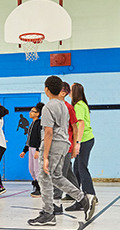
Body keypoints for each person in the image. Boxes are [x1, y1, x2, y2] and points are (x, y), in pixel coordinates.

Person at [28, 76, 96, 226]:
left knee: (44, 178)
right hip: (64, 144)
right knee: (57, 176)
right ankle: (83, 199)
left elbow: (48, 132)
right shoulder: (64, 106)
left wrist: (45, 156)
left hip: (53, 145)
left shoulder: (48, 107)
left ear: (46, 89)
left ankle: (48, 213)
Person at [65, 82, 97, 212]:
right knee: (77, 168)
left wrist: (77, 143)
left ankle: (89, 196)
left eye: (71, 90)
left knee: (81, 167)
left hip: (84, 140)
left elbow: (81, 125)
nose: (69, 92)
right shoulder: (81, 104)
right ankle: (76, 195)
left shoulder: (78, 105)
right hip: (86, 140)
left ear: (75, 92)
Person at [53, 82, 80, 214]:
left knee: (59, 175)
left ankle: (56, 204)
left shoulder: (68, 107)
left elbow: (75, 127)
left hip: (65, 147)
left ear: (63, 93)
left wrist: (75, 146)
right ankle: (80, 199)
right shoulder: (56, 107)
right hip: (58, 146)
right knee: (68, 172)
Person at [20, 102, 44, 198]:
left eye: (32, 111)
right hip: (30, 148)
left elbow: (40, 138)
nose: (30, 113)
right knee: (31, 169)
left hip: (36, 149)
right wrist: (24, 150)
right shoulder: (32, 124)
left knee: (37, 169)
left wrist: (38, 150)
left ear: (37, 114)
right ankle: (36, 185)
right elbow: (29, 139)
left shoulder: (39, 124)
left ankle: (40, 188)